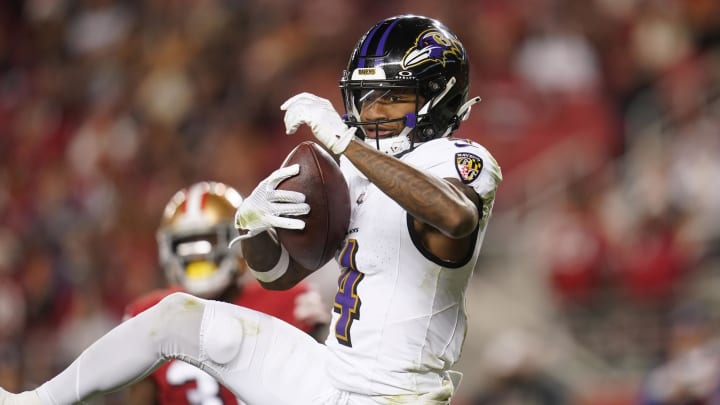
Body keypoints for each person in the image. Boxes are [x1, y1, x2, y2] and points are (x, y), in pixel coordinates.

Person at [0, 14, 502, 405]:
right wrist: (256, 225)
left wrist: (345, 145)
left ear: (438, 95)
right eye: (365, 98)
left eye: (391, 98)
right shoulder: (356, 168)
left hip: (395, 395)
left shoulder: (460, 159)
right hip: (330, 374)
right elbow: (276, 276)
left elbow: (453, 216)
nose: (371, 113)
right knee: (175, 316)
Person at [122, 181, 329, 404]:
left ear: (237, 239)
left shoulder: (289, 301)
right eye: (185, 243)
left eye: (211, 239)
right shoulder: (150, 315)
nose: (196, 255)